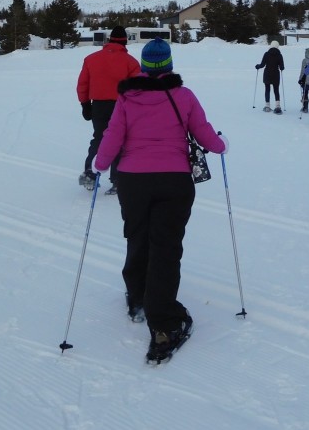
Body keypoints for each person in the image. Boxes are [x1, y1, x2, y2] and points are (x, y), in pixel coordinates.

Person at [94, 37, 227, 362]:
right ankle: (164, 321)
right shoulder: (183, 96)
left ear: (143, 66)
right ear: (167, 65)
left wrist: (100, 163)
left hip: (132, 181)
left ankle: (137, 298)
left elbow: (113, 135)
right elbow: (204, 133)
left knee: (138, 236)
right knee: (165, 246)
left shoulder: (127, 97)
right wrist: (220, 146)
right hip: (174, 180)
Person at [76, 25, 140, 193]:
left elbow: (82, 84)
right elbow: (138, 89)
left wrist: (85, 104)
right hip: (122, 107)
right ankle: (118, 180)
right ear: (125, 42)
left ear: (109, 40)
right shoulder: (131, 62)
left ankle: (89, 173)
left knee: (99, 138)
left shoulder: (91, 59)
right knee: (120, 142)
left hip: (98, 106)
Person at [255, 40, 285, 114]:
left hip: (267, 74)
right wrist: (280, 67)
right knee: (276, 90)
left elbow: (262, 65)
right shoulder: (279, 55)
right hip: (275, 74)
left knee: (267, 89)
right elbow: (282, 67)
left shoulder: (266, 54)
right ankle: (277, 106)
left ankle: (267, 106)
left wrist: (257, 66)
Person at [298, 47, 309, 113]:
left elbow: (303, 71)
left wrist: (300, 79)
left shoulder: (304, 60)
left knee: (305, 93)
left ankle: (305, 108)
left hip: (306, 80)